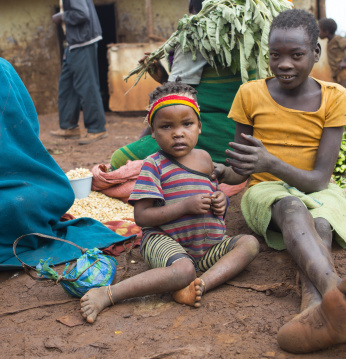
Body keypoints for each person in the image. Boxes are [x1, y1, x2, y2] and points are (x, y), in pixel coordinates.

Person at [213, 9, 346, 354]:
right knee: (295, 210)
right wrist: (225, 171)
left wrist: (270, 160)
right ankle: (334, 290)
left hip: (318, 187)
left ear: (315, 53)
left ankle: (315, 313)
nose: (284, 64)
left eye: (296, 55)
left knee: (321, 225)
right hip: (266, 192)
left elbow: (317, 181)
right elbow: (243, 170)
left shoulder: (334, 97)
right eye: (275, 55)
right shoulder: (249, 94)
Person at [80, 80, 259, 323]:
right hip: (165, 240)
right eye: (166, 126)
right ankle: (108, 294)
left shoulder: (206, 160)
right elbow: (142, 217)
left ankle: (199, 285)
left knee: (249, 244)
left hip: (206, 246)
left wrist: (220, 202)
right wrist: (184, 207)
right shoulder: (154, 165)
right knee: (183, 269)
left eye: (187, 124)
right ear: (153, 132)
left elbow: (214, 198)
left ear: (199, 127)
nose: (178, 133)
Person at [0, 57, 131, 269]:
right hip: (19, 210)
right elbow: (27, 125)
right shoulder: (3, 69)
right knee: (46, 195)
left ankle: (92, 127)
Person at [109, 0, 255, 170]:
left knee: (119, 158)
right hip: (240, 142)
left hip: (207, 140)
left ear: (192, 10)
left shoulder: (195, 36)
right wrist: (165, 78)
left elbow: (171, 102)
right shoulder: (251, 37)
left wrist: (144, 140)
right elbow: (210, 92)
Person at [50, 0, 108, 145]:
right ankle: (68, 126)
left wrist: (62, 16)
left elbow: (81, 14)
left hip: (83, 42)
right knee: (66, 85)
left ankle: (96, 128)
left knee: (87, 85)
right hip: (74, 44)